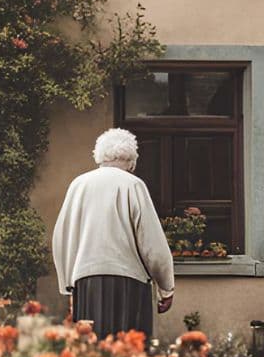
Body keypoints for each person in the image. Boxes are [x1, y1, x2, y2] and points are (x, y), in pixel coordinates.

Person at [51, 128, 175, 338]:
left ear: (99, 155)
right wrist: (166, 287)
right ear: (132, 159)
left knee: (93, 353)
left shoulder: (79, 185)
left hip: (86, 282)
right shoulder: (134, 185)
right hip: (129, 282)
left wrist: (68, 283)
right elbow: (152, 243)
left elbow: (62, 237)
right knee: (129, 352)